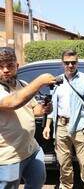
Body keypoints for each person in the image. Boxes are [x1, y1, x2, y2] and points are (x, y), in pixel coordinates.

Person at [0, 47, 56, 189]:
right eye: (0, 66)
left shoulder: (23, 85)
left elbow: (33, 110)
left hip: (31, 149)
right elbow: (13, 103)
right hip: (8, 156)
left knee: (37, 181)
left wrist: (44, 108)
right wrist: (40, 81)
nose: (5, 70)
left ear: (17, 66)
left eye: (10, 65)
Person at [42, 49, 84, 189]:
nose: (70, 65)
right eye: (67, 63)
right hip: (60, 126)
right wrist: (48, 125)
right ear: (62, 63)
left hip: (81, 127)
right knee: (63, 163)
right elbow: (52, 106)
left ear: (77, 62)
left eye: (73, 62)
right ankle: (66, 186)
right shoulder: (57, 81)